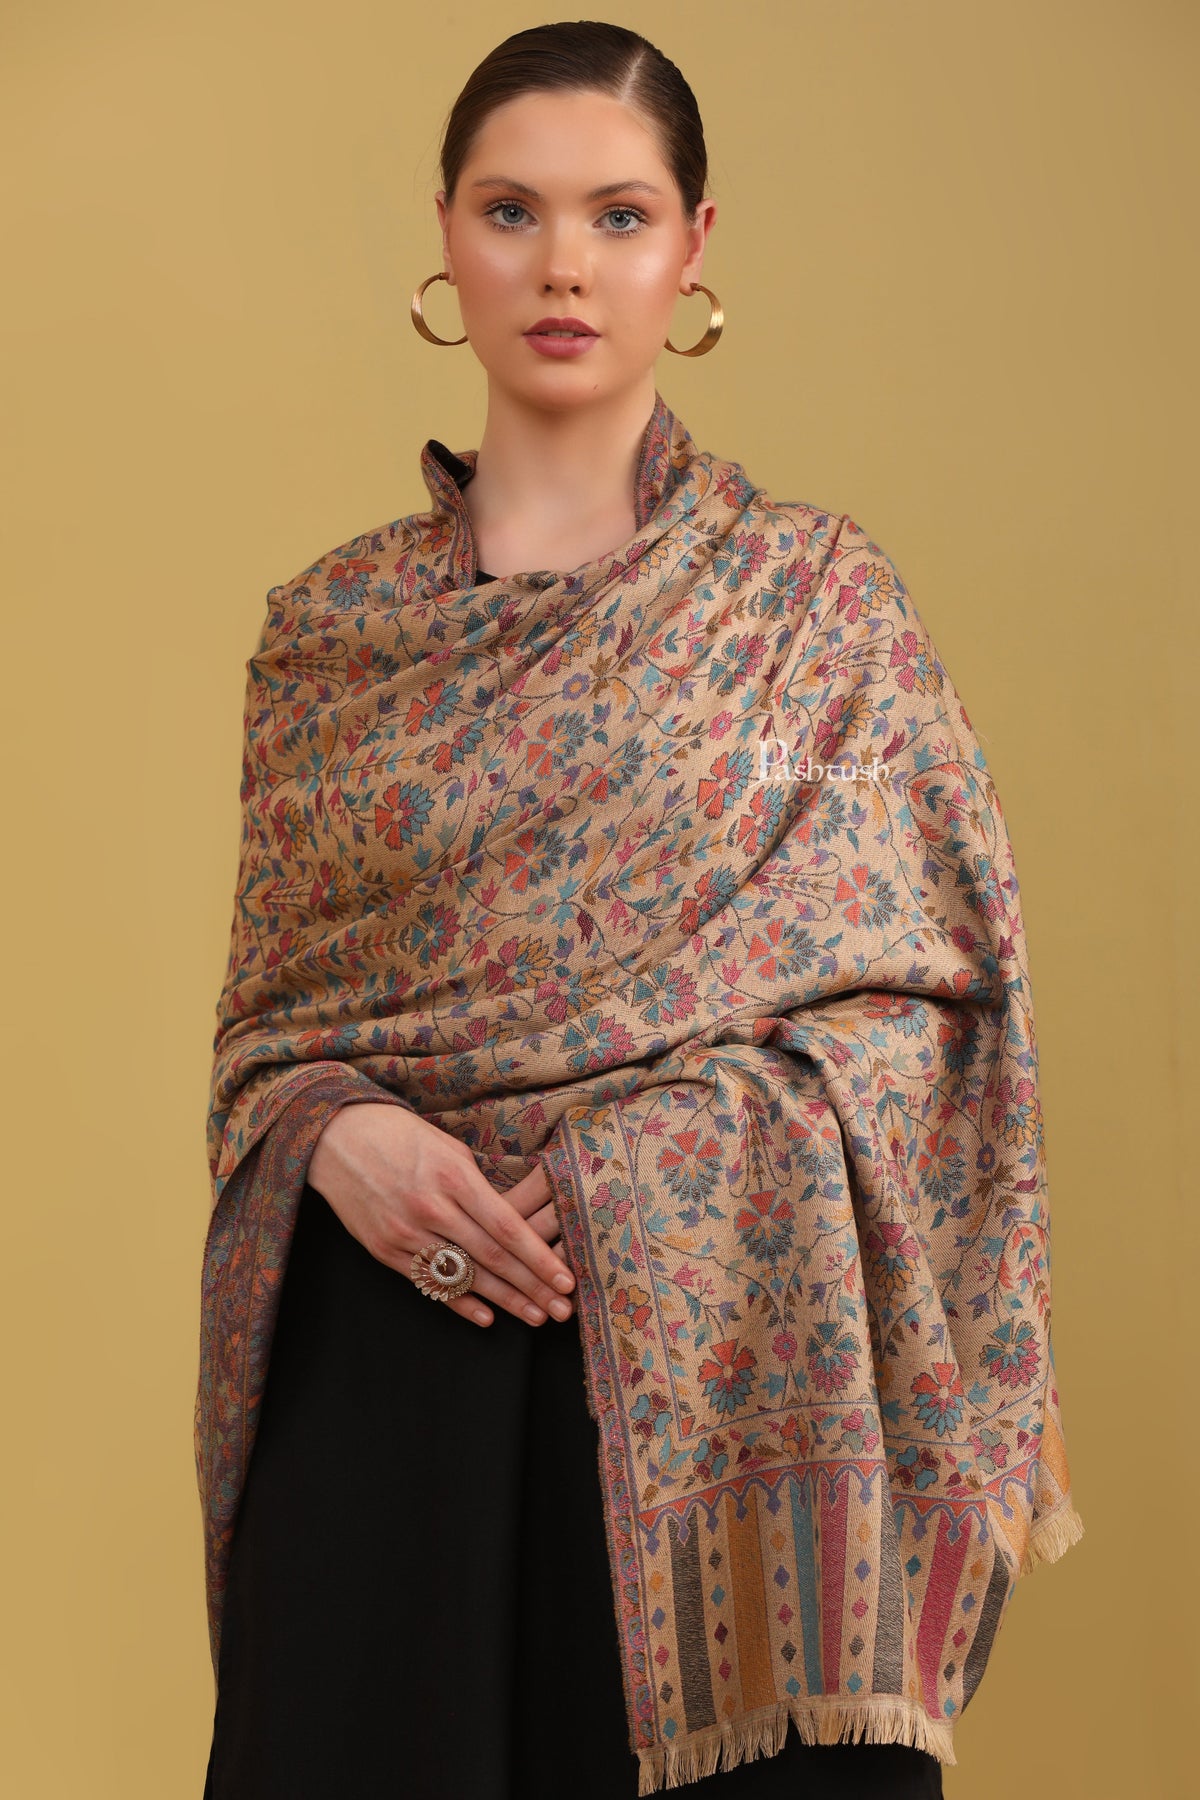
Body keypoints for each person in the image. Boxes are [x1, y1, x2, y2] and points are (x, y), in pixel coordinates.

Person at [198, 20, 1082, 1800]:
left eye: (619, 216)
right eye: (512, 211)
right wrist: (336, 1136)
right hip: (395, 1366)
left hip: (723, 1357)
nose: (564, 266)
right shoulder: (330, 637)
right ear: (447, 239)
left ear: (692, 252)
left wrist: (664, 1145)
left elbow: (936, 1013)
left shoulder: (814, 607)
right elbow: (267, 1043)